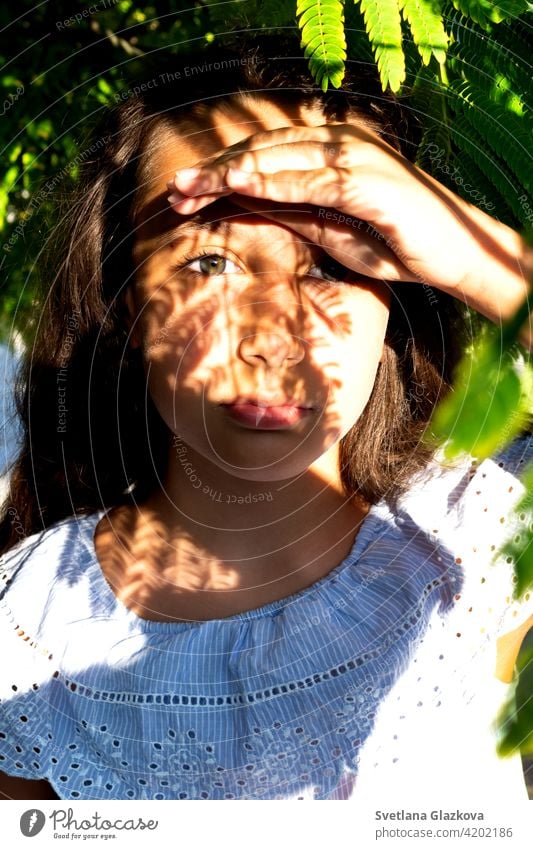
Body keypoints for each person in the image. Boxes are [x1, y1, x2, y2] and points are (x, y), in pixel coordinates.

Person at [0, 37, 531, 802]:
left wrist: (471, 253)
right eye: (208, 263)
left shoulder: (480, 531)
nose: (275, 335)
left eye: (336, 261)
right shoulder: (28, 630)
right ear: (124, 297)